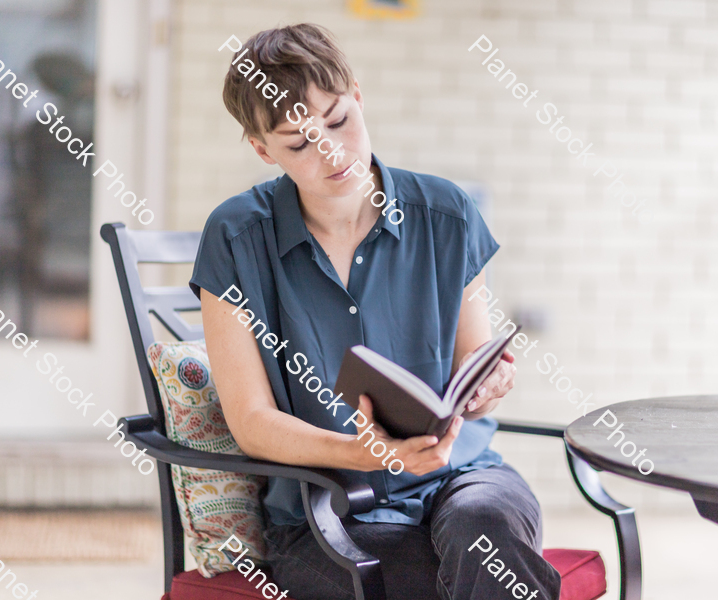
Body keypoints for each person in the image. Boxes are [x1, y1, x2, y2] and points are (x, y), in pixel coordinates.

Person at [191, 22, 561, 600]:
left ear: (358, 97)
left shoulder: (447, 215)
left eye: (338, 121)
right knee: (402, 576)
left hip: (463, 474)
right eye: (298, 142)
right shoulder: (236, 237)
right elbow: (252, 420)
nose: (331, 152)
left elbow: (473, 360)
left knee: (488, 532)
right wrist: (360, 452)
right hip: (327, 501)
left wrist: (489, 382)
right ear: (262, 150)